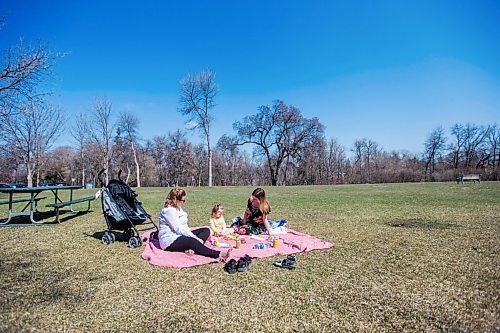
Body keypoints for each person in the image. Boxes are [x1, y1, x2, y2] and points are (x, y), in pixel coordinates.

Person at [158, 188, 231, 259]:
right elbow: (178, 229)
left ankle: (194, 247)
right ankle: (218, 254)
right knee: (192, 241)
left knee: (206, 230)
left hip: (180, 235)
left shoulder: (178, 207)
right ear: (175, 200)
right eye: (182, 200)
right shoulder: (169, 211)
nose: (183, 202)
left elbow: (184, 226)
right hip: (170, 240)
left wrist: (192, 236)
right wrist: (194, 237)